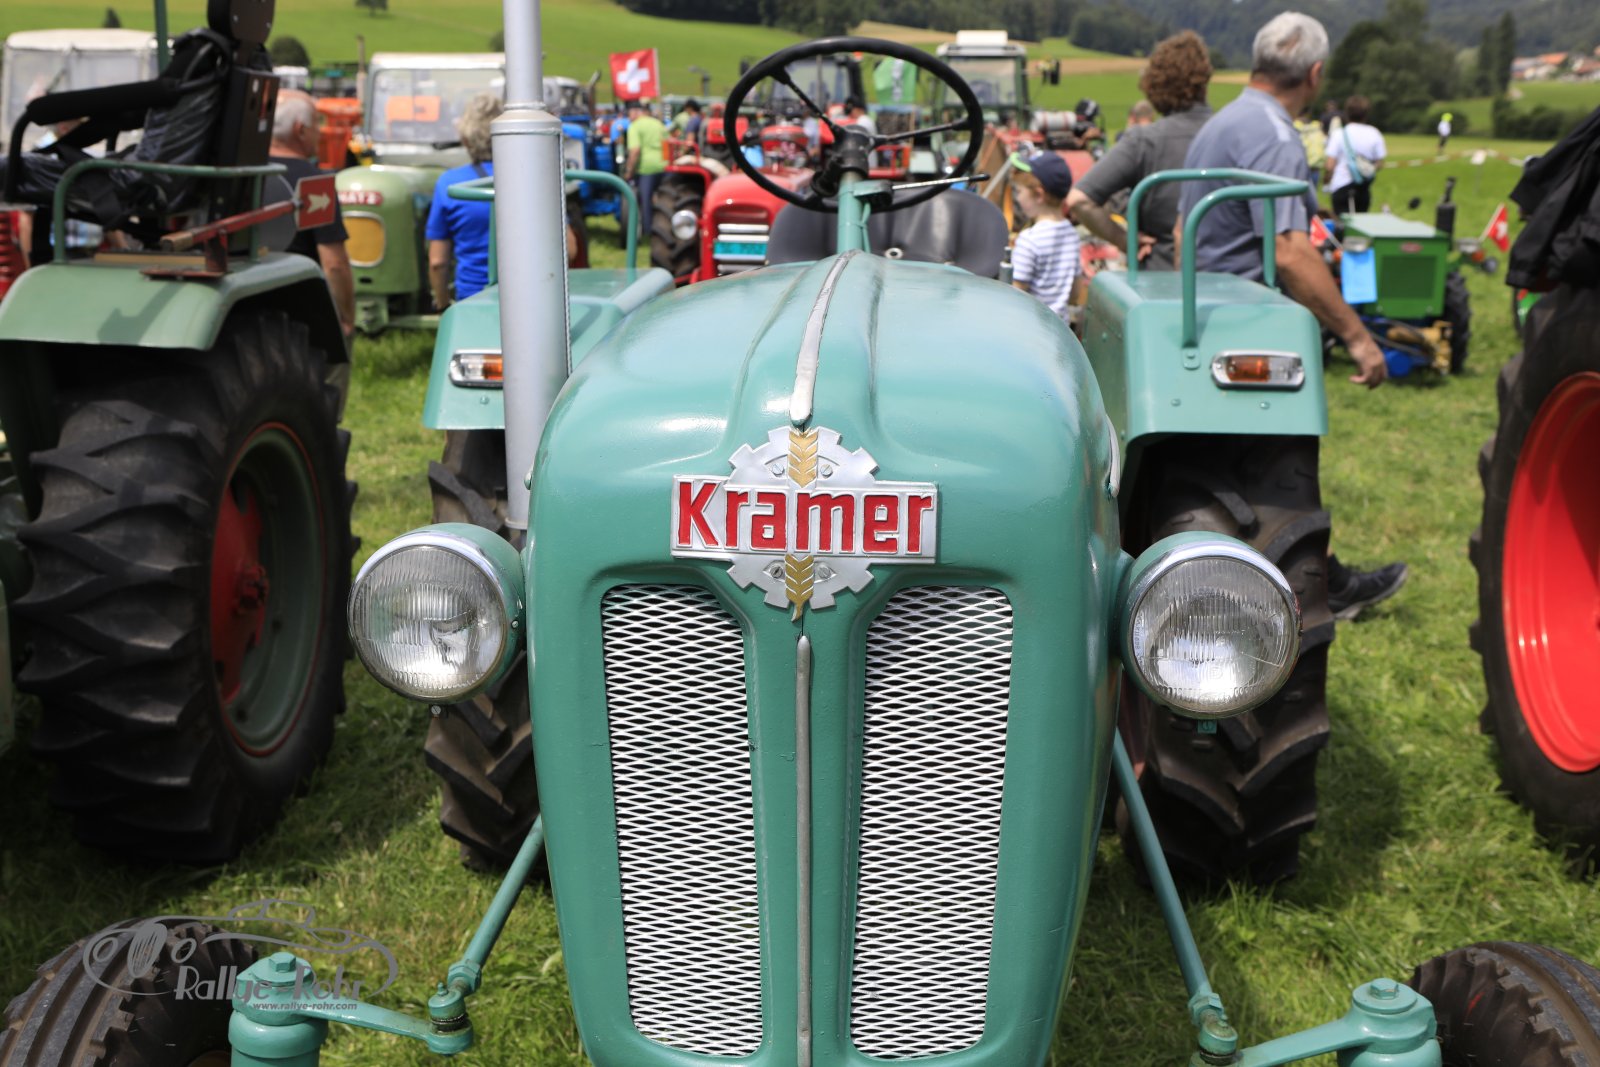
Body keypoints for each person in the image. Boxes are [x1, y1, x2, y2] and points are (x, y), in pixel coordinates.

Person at [1176, 11, 1407, 618]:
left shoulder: (1221, 122)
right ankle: (1307, 586)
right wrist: (1358, 337)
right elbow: (1288, 251)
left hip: (1203, 315)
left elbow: (1180, 233)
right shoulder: (1278, 138)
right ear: (1315, 73)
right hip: (1249, 326)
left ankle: (1315, 574)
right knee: (1277, 473)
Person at [1066, 31, 1214, 270]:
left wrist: (1126, 241)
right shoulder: (1231, 133)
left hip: (1161, 277)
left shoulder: (1145, 140)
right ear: (1204, 79)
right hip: (1232, 280)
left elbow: (1079, 200)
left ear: (1155, 85)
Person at [270, 89, 355, 337]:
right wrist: (347, 317)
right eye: (317, 125)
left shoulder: (245, 173)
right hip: (301, 309)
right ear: (300, 130)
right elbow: (334, 264)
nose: (321, 134)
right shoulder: (316, 183)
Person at [426, 92, 503, 310]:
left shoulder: (450, 184)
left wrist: (443, 304)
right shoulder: (531, 179)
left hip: (472, 299)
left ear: (466, 139)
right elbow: (569, 248)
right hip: (527, 296)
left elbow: (438, 262)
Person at [1008, 151, 1080, 324]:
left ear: (1039, 195)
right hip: (1060, 329)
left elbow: (1016, 296)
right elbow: (1075, 294)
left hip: (1033, 329)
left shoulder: (1029, 240)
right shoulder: (1072, 234)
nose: (1017, 197)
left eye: (1019, 191)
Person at [1324, 94, 1385, 214]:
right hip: (1363, 188)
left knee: (1341, 223)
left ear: (1347, 113)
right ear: (1366, 114)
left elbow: (1330, 165)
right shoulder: (1374, 133)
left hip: (1341, 185)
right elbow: (1379, 163)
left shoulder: (1339, 134)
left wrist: (1326, 181)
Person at [623, 98, 666, 243]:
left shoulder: (634, 126)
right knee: (663, 200)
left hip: (647, 168)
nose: (628, 117)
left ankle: (648, 233)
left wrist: (629, 171)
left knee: (645, 201)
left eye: (629, 114)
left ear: (635, 112)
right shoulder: (658, 124)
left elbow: (635, 151)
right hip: (664, 166)